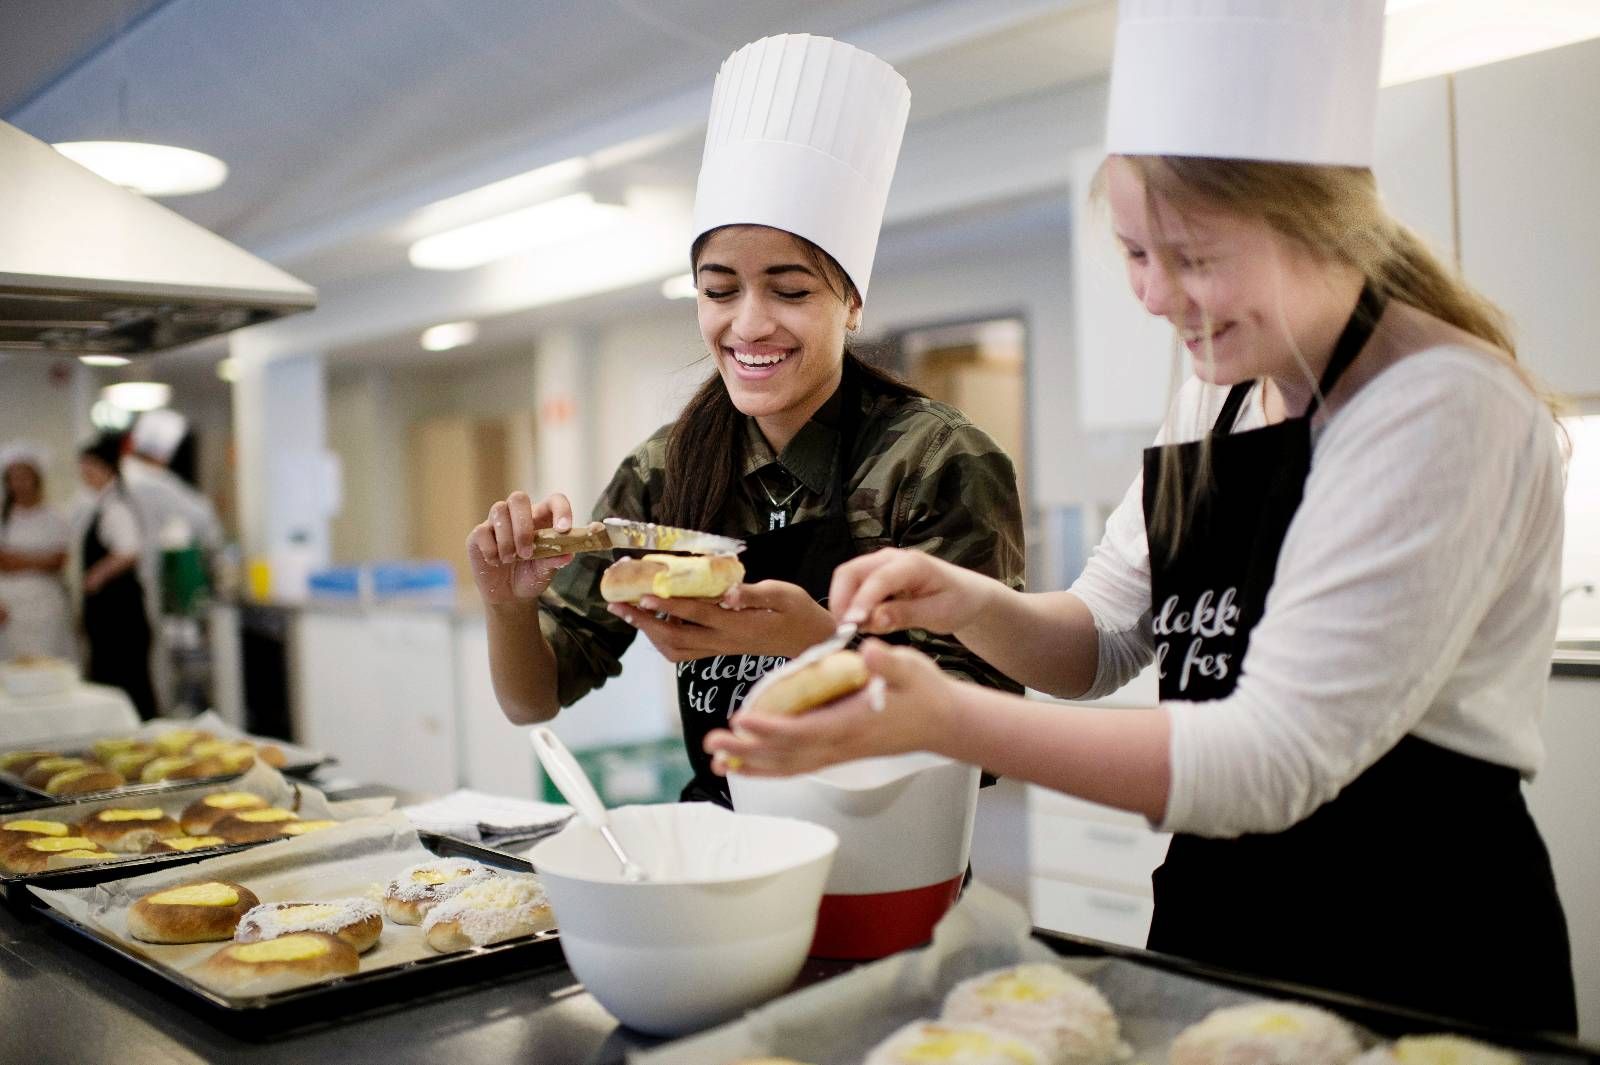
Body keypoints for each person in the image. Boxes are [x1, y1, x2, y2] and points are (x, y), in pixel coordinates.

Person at [705, 0, 1577, 1032]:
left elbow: (1272, 757)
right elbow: (1098, 642)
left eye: (1192, 256)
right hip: (1223, 931)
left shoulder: (1441, 405)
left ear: (1319, 226)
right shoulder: (1222, 394)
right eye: (1132, 252)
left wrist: (944, 716)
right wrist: (964, 601)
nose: (1155, 297)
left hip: (1416, 952)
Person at [470, 33, 1026, 806]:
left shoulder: (935, 460)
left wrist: (815, 640)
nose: (749, 323)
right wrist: (507, 600)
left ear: (851, 302)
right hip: (725, 836)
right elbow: (534, 697)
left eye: (790, 291)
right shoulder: (663, 470)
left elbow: (989, 731)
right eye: (719, 290)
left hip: (885, 846)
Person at [77, 434, 157, 721]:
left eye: (89, 467)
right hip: (109, 611)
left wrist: (95, 576)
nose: (84, 474)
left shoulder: (116, 506)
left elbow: (128, 551)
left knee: (126, 679)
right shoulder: (102, 503)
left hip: (119, 612)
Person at [0, 442, 73, 662]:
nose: (19, 483)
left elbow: (59, 561)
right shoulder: (4, 518)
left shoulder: (55, 517)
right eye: (14, 478)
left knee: (48, 661)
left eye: (25, 477)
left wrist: (16, 559)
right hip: (10, 604)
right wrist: (40, 559)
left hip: (46, 604)